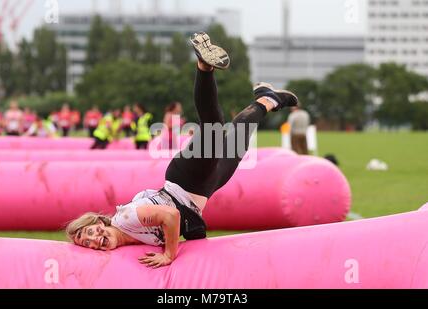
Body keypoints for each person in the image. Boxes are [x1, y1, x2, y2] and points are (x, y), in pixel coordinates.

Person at [66, 32, 298, 268]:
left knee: (213, 127)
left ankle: (204, 66)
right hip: (200, 190)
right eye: (87, 243)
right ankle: (266, 100)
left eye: (91, 232)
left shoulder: (126, 219)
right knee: (238, 143)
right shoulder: (128, 239)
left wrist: (169, 254)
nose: (94, 239)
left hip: (185, 181)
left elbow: (171, 215)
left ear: (98, 223)